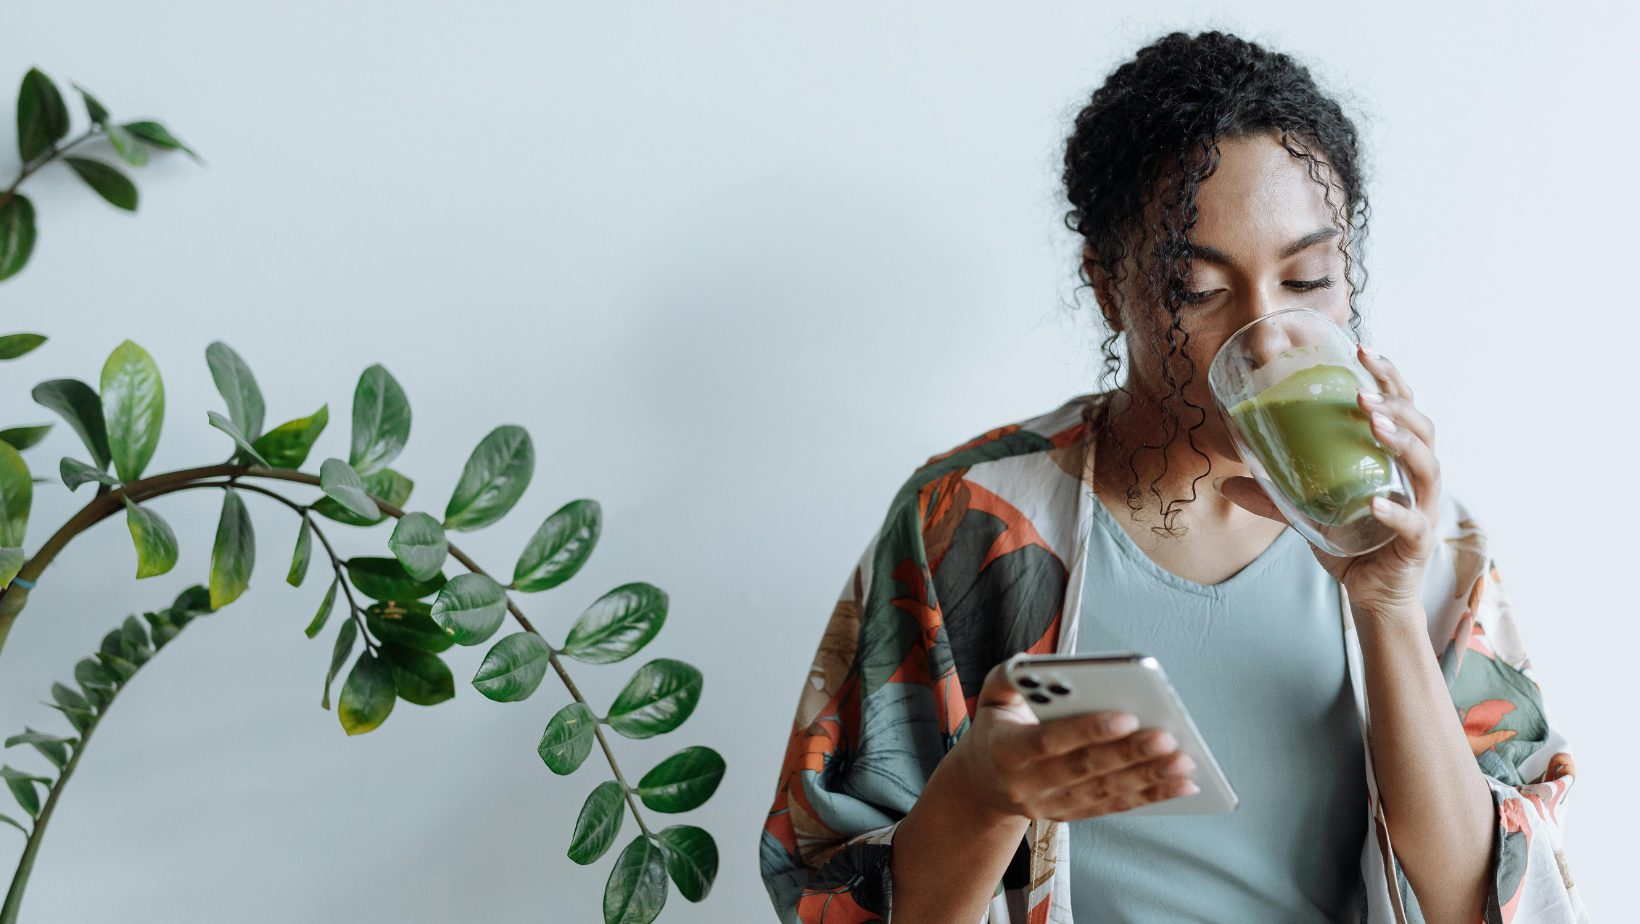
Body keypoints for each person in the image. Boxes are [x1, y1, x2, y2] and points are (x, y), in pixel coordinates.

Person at [760, 31, 1584, 924]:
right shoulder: (968, 521)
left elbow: (1492, 901)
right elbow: (827, 891)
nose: (1267, 334)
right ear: (1109, 290)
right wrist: (984, 794)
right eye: (1197, 290)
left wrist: (1386, 606)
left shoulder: (1427, 539)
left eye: (1309, 277)